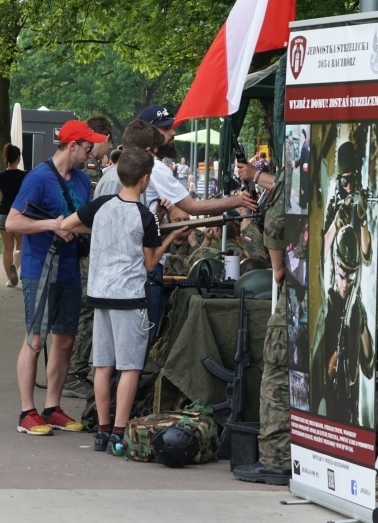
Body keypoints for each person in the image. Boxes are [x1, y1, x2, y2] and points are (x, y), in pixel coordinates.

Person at [60, 147, 188, 454]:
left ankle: (102, 431)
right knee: (129, 366)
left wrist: (99, 232)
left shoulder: (101, 205)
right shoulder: (145, 216)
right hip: (129, 297)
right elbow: (150, 263)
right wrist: (172, 236)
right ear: (145, 180)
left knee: (102, 364)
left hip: (99, 294)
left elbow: (66, 225)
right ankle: (120, 430)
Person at [102, 108, 256, 341]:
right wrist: (238, 200)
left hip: (111, 271)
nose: (172, 132)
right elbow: (192, 207)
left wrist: (157, 214)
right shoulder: (154, 167)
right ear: (148, 135)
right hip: (141, 268)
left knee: (116, 344)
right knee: (139, 341)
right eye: (165, 128)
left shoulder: (111, 173)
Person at [5, 120, 107, 435]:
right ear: (72, 144)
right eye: (88, 147)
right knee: (35, 339)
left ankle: (52, 408)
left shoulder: (80, 181)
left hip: (69, 269)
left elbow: (79, 221)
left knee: (64, 340)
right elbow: (12, 222)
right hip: (39, 269)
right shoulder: (37, 178)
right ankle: (26, 412)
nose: (91, 152)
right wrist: (52, 226)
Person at [233, 131, 290, 485]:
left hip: (298, 289)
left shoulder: (298, 173)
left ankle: (276, 457)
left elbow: (277, 223)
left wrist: (278, 267)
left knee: (278, 374)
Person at [65, 116, 114, 400]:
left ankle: (73, 371)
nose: (95, 148)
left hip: (83, 249)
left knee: (83, 311)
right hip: (82, 250)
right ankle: (74, 373)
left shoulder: (89, 171)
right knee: (84, 311)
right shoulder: (84, 169)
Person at [309, 225, 374, 425]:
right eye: (342, 276)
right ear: (335, 267)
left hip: (349, 404)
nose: (345, 284)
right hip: (325, 404)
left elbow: (368, 364)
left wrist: (360, 326)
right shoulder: (324, 307)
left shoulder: (356, 308)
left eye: (351, 278)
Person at [0, 143, 26, 287]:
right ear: (18, 158)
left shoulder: (0, 176)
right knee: (21, 246)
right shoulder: (25, 175)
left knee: (7, 248)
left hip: (3, 214)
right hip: (19, 214)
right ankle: (15, 267)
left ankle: (10, 279)